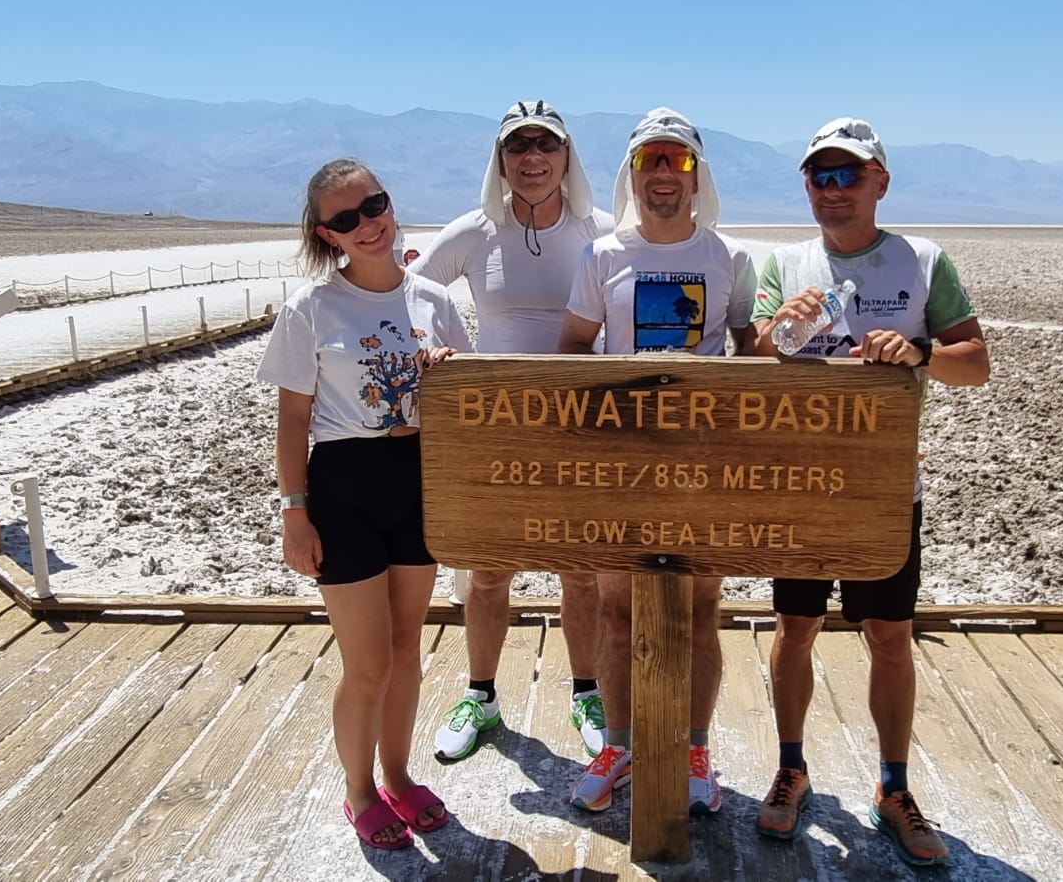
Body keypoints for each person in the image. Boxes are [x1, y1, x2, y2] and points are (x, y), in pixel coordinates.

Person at [745, 118, 990, 865]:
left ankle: (893, 787)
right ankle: (791, 769)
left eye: (849, 174)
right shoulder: (783, 262)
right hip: (799, 483)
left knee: (889, 634)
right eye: (821, 175)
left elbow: (974, 361)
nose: (834, 189)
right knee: (795, 625)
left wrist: (917, 352)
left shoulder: (922, 260)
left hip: (883, 486)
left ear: (881, 180)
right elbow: (754, 356)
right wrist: (775, 331)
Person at [256, 158, 473, 850]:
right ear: (328, 235)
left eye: (373, 205)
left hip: (418, 478)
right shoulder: (311, 309)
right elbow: (293, 419)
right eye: (346, 219)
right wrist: (295, 512)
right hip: (345, 485)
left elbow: (471, 397)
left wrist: (445, 372)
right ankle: (358, 793)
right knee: (368, 664)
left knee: (408, 646)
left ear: (388, 202)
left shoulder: (434, 300)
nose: (368, 224)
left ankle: (399, 777)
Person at [556, 107, 757, 815]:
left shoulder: (727, 259)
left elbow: (752, 352)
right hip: (621, 466)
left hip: (701, 467)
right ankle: (620, 743)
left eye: (675, 160)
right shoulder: (603, 257)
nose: (663, 174)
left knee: (702, 610)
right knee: (615, 608)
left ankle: (693, 745)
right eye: (650, 161)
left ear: (696, 174)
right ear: (633, 174)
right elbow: (575, 349)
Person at [410, 100, 616, 762]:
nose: (533, 158)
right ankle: (481, 695)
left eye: (545, 145)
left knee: (580, 572)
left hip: (582, 429)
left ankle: (587, 692)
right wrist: (446, 350)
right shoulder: (474, 231)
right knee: (490, 571)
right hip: (497, 431)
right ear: (500, 159)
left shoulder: (600, 230)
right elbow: (410, 295)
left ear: (566, 156)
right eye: (518, 146)